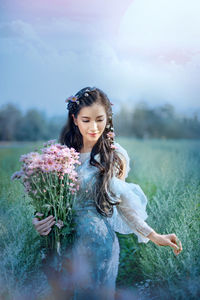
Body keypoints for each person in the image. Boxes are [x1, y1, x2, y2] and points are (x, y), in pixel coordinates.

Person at [33, 87, 182, 299]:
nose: (94, 127)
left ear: (108, 118)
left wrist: (154, 235)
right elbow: (47, 199)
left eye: (100, 119)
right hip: (64, 244)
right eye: (86, 120)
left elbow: (124, 204)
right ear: (75, 119)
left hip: (97, 245)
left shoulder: (114, 155)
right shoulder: (61, 156)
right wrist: (39, 221)